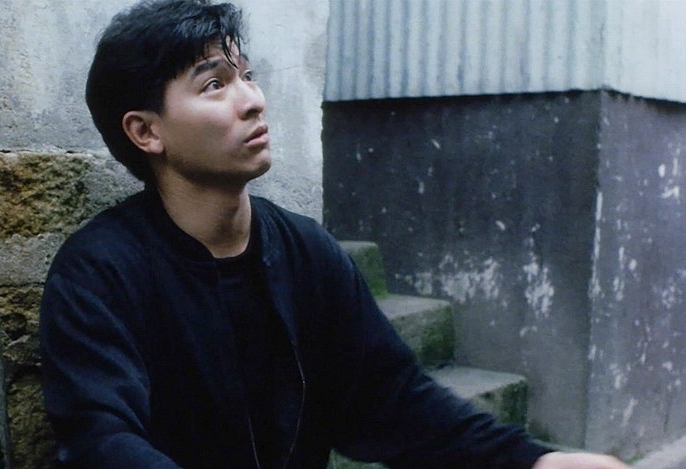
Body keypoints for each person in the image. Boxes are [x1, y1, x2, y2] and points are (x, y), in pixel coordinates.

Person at [39, 1, 631, 468]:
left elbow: (393, 401)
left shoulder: (307, 254)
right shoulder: (98, 274)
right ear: (146, 132)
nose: (253, 100)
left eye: (248, 75)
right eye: (214, 85)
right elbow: (102, 442)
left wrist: (535, 461)